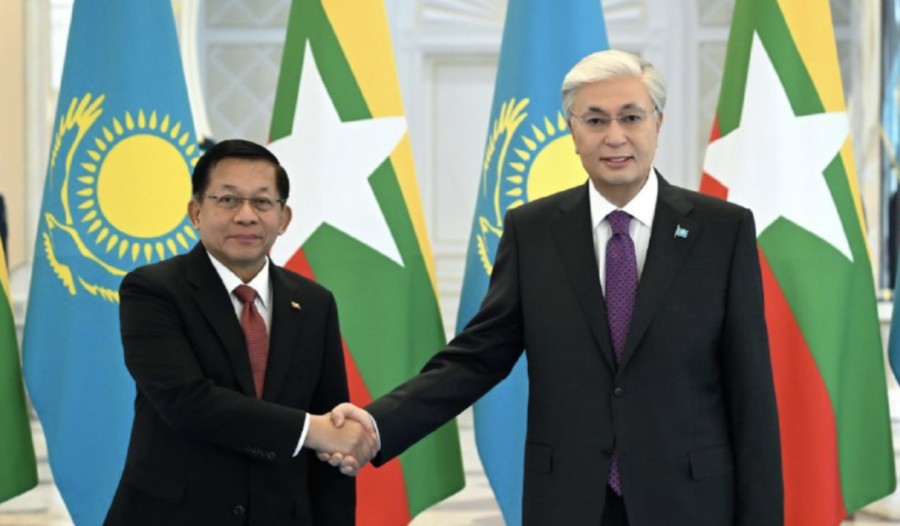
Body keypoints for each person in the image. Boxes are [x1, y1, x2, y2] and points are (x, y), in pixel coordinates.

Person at [323, 50, 783, 525]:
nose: (615, 136)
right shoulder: (533, 232)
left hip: (690, 504)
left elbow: (750, 393)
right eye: (595, 120)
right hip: (569, 502)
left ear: (658, 123)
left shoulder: (721, 231)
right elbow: (476, 358)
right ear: (572, 132)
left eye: (631, 117)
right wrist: (377, 424)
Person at [105, 139, 377, 526]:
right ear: (196, 212)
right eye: (228, 200)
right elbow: (186, 402)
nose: (246, 216)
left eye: (262, 202)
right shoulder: (152, 289)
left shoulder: (315, 303)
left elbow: (330, 436)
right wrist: (309, 431)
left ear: (283, 218)